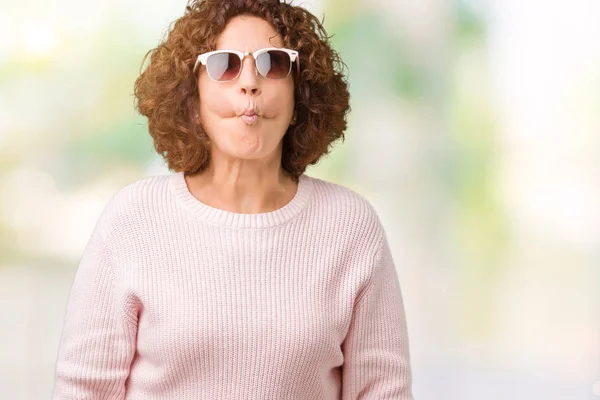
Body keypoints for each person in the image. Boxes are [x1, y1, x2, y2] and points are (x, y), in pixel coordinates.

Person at [51, 0, 414, 398]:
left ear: (300, 94)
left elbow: (382, 392)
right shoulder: (133, 219)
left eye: (273, 63)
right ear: (193, 100)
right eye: (224, 65)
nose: (249, 82)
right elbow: (84, 389)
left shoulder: (350, 227)